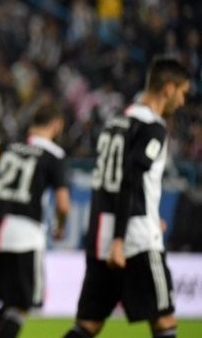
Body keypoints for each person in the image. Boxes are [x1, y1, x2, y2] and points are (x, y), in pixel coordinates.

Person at [64, 56, 190, 338]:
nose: (183, 102)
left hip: (102, 233)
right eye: (182, 93)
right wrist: (121, 239)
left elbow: (109, 182)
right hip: (134, 237)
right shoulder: (153, 127)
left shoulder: (116, 122)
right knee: (164, 321)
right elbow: (130, 180)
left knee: (88, 325)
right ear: (168, 88)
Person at [0, 103, 70, 338]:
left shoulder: (6, 146)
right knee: (22, 306)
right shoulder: (54, 155)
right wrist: (61, 226)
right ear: (56, 125)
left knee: (7, 301)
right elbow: (63, 204)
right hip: (25, 235)